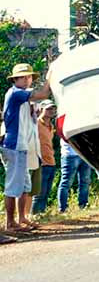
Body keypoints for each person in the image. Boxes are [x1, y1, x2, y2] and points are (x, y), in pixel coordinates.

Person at [2, 63, 53, 237]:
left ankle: (21, 218)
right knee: (13, 186)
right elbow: (44, 94)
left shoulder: (24, 98)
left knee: (24, 185)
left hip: (22, 145)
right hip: (14, 144)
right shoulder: (16, 94)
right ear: (15, 79)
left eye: (28, 76)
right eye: (23, 77)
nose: (26, 79)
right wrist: (50, 77)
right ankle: (10, 222)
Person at [31, 100, 58, 214]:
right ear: (41, 110)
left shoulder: (51, 126)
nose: (51, 111)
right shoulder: (35, 124)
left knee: (46, 192)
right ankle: (34, 215)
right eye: (48, 109)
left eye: (53, 109)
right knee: (38, 193)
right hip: (40, 163)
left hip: (51, 162)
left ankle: (42, 214)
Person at [58, 134, 93, 212]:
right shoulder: (64, 121)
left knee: (85, 182)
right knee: (66, 182)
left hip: (85, 154)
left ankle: (83, 205)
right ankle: (63, 208)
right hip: (70, 154)